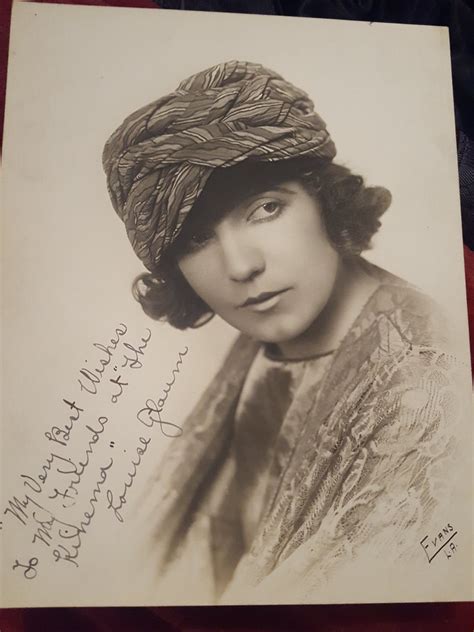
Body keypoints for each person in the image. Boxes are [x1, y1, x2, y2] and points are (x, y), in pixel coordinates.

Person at [102, 61, 458, 604]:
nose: (240, 266)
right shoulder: (260, 347)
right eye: (196, 239)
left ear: (325, 200)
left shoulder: (428, 384)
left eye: (266, 208)